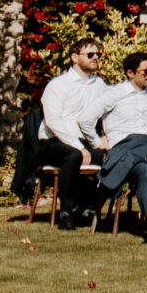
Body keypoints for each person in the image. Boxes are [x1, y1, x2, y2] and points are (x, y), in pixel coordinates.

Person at [91, 51, 147, 230]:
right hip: (122, 149)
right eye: (146, 71)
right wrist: (97, 142)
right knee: (146, 173)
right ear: (130, 73)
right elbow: (85, 118)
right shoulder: (114, 93)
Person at [37, 39, 109, 221]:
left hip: (84, 142)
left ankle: (88, 206)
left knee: (115, 157)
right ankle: (66, 211)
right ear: (74, 57)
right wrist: (78, 146)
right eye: (90, 55)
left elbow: (110, 113)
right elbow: (53, 121)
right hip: (53, 142)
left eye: (97, 55)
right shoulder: (58, 85)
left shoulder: (99, 85)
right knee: (74, 156)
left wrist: (107, 138)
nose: (95, 58)